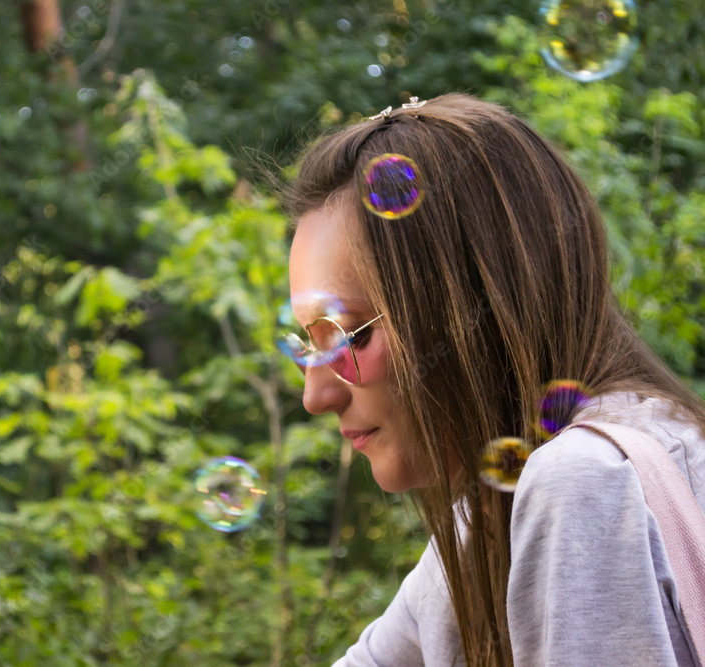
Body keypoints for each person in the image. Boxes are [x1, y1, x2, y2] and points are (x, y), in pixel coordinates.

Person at [279, 93, 705, 666]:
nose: (316, 396)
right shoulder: (485, 515)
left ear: (474, 310)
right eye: (309, 346)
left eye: (350, 336)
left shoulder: (583, 482)